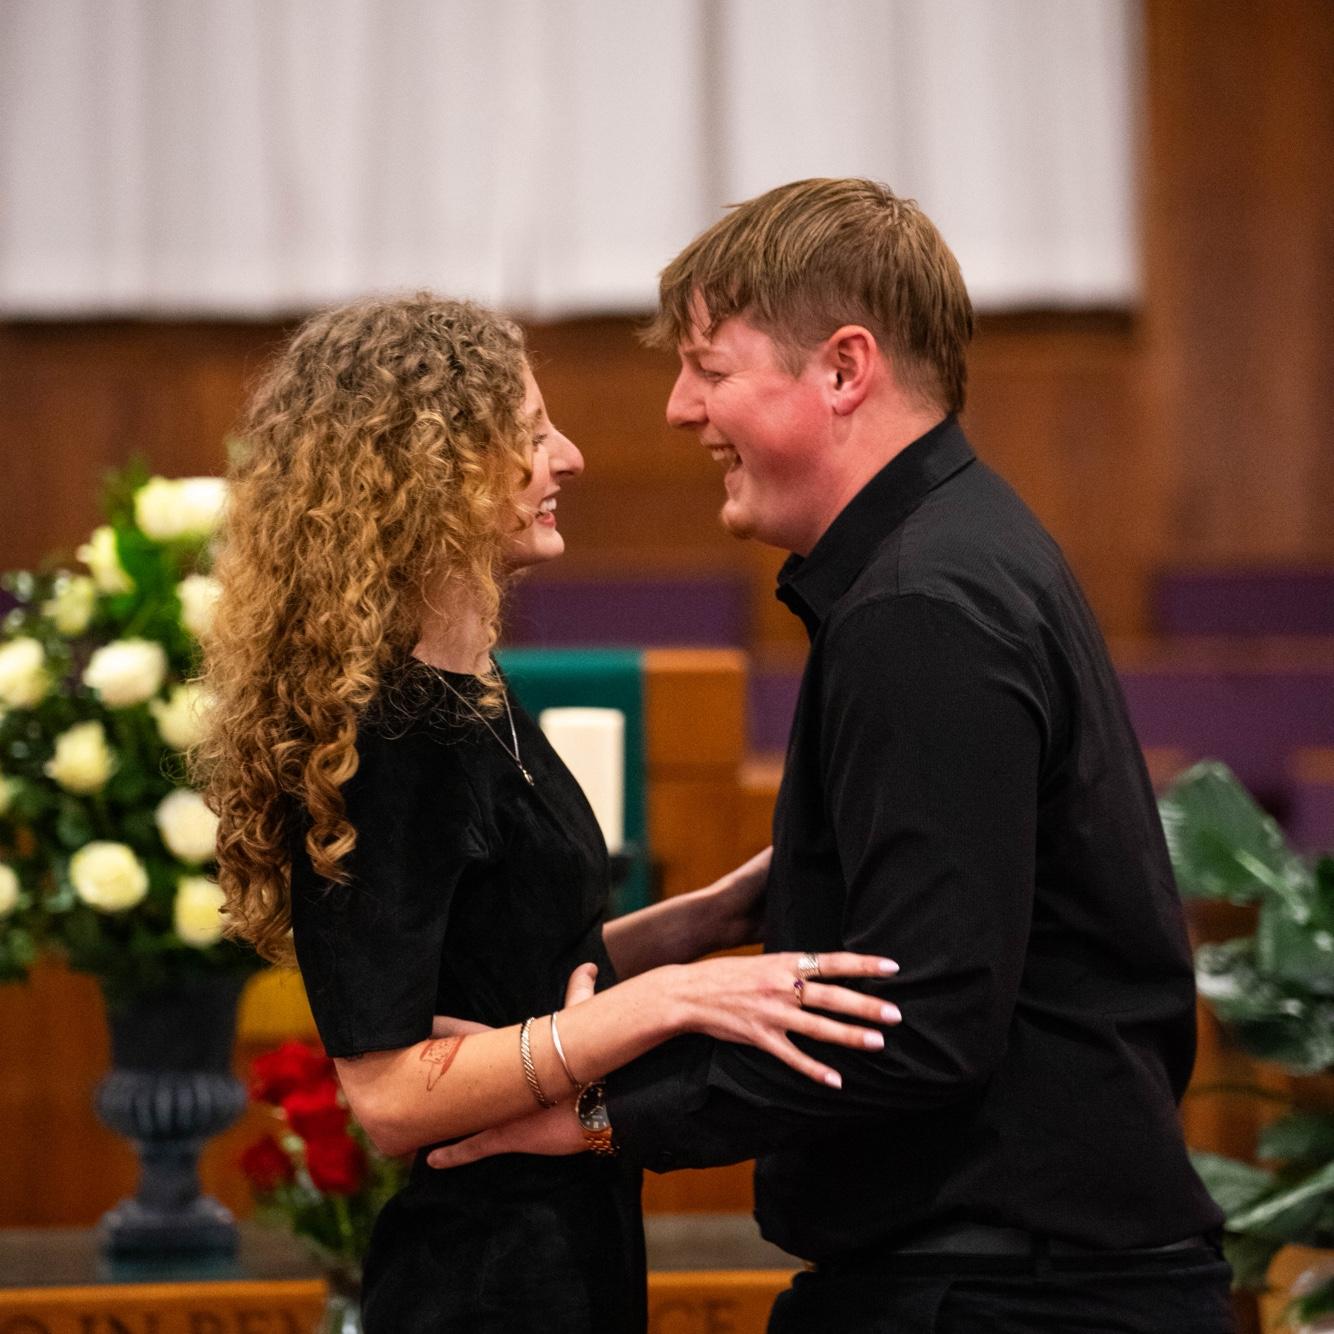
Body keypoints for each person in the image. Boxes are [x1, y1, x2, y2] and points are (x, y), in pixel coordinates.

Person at [424, 182, 1237, 1332]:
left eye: (707, 368)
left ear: (844, 368)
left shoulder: (919, 610)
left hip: (1008, 1296)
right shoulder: (950, 555)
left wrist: (602, 1110)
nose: (677, 408)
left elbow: (918, 1025)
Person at [194, 292, 899, 1333]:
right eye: (529, 436)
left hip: (565, 1239)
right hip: (479, 1278)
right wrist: (671, 1002)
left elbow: (517, 963)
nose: (567, 457)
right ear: (428, 472)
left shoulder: (468, 691)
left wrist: (716, 913)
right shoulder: (387, 733)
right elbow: (388, 1094)